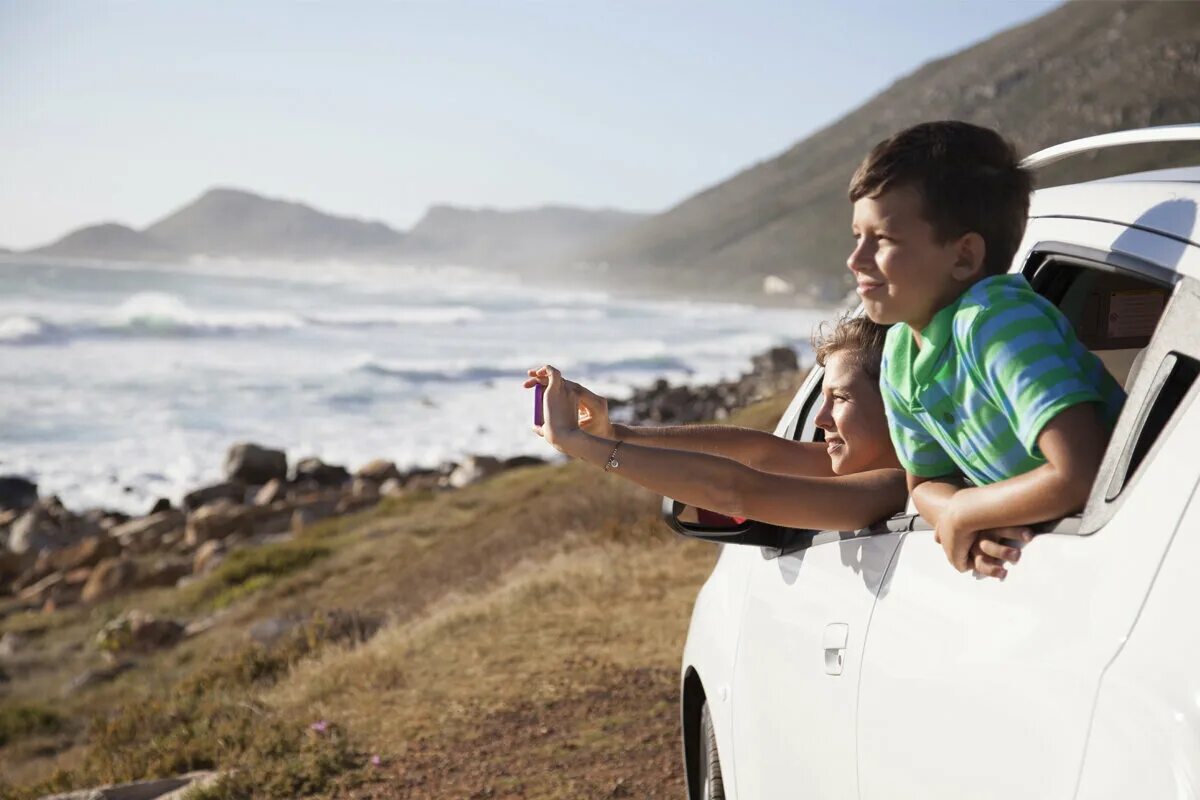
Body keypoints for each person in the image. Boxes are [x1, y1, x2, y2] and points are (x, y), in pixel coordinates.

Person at [847, 121, 1125, 577]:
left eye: (883, 239)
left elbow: (1082, 470)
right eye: (857, 236)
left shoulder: (995, 322)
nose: (855, 259)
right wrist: (961, 512)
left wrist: (967, 511)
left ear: (963, 257)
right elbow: (925, 483)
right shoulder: (901, 350)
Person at [529, 315, 1018, 565]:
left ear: (901, 404)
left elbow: (739, 490)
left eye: (841, 399)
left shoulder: (893, 486)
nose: (822, 416)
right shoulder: (869, 467)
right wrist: (618, 433)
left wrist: (586, 447)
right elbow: (762, 452)